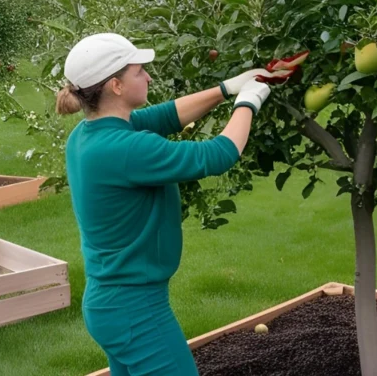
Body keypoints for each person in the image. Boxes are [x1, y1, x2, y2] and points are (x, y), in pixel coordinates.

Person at [55, 32, 274, 376]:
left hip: (110, 302)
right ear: (116, 85)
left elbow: (166, 116)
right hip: (136, 310)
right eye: (139, 71)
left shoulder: (87, 135)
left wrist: (225, 89)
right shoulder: (126, 149)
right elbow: (217, 154)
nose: (148, 77)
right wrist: (248, 102)